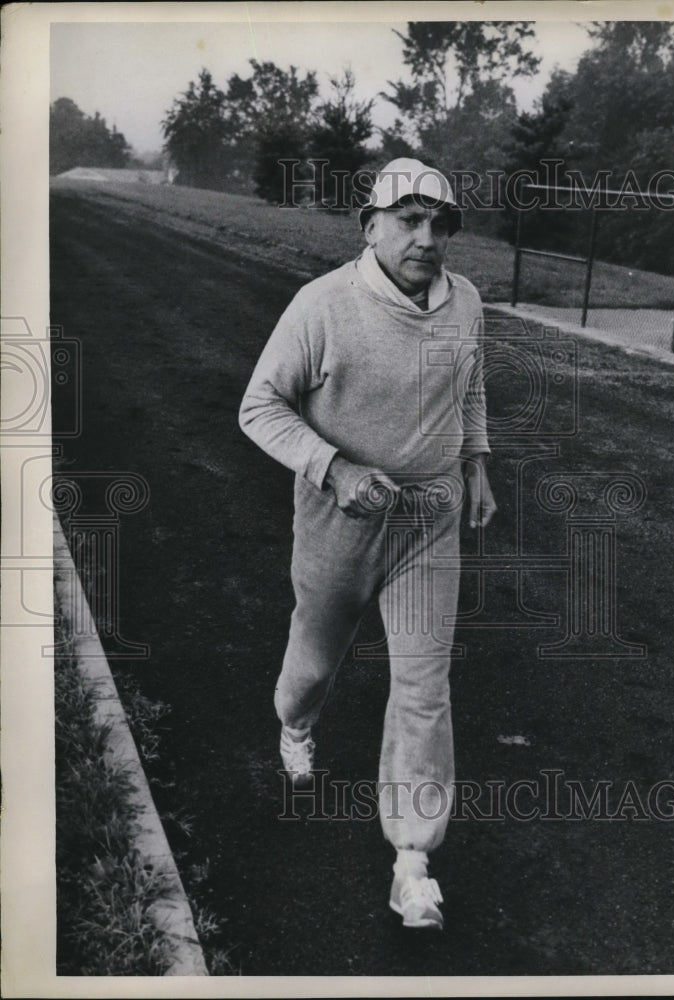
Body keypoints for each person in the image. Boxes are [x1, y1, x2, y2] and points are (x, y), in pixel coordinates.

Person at [239, 158, 496, 930]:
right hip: (339, 520)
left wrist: (476, 464)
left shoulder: (467, 304)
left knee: (423, 684)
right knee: (313, 665)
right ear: (371, 225)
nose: (427, 238)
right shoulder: (321, 306)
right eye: (409, 220)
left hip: (430, 517)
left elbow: (471, 383)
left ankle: (412, 861)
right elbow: (259, 406)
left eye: (439, 223)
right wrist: (334, 467)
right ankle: (293, 724)